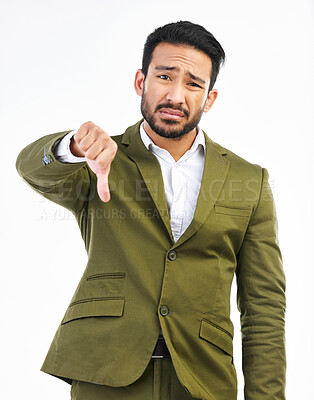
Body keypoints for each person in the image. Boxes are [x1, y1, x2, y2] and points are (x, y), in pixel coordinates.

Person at [16, 21, 286, 400]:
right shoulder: (100, 159)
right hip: (105, 372)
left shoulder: (249, 180)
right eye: (165, 76)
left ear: (209, 99)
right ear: (141, 81)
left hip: (203, 378)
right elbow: (31, 168)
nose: (176, 95)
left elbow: (264, 307)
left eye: (193, 84)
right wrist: (73, 148)